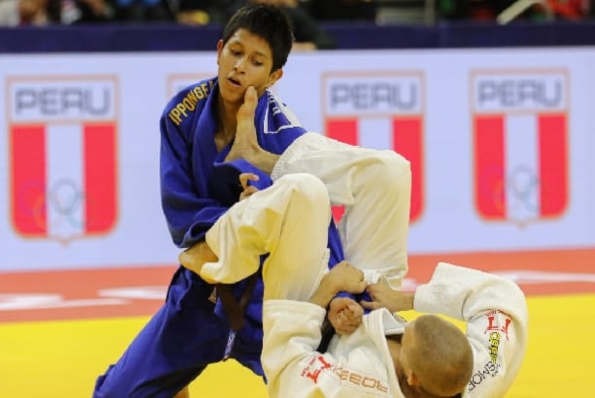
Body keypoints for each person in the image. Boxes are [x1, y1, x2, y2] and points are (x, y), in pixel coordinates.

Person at [93, 3, 411, 398]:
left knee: (329, 388)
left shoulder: (285, 137)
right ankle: (173, 380)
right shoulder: (181, 115)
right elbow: (181, 212)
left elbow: (319, 227)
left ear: (274, 76)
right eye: (235, 52)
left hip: (271, 302)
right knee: (118, 394)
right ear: (219, 50)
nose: (239, 67)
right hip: (204, 294)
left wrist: (342, 297)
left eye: (256, 62)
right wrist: (237, 219)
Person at [181, 170, 528, 397]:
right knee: (389, 175)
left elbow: (287, 371)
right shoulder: (479, 374)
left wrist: (326, 294)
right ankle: (265, 153)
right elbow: (501, 295)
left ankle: (220, 248)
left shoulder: (357, 386)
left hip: (308, 326)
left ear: (412, 378)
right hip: (368, 297)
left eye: (404, 338)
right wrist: (407, 300)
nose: (401, 332)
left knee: (304, 193)